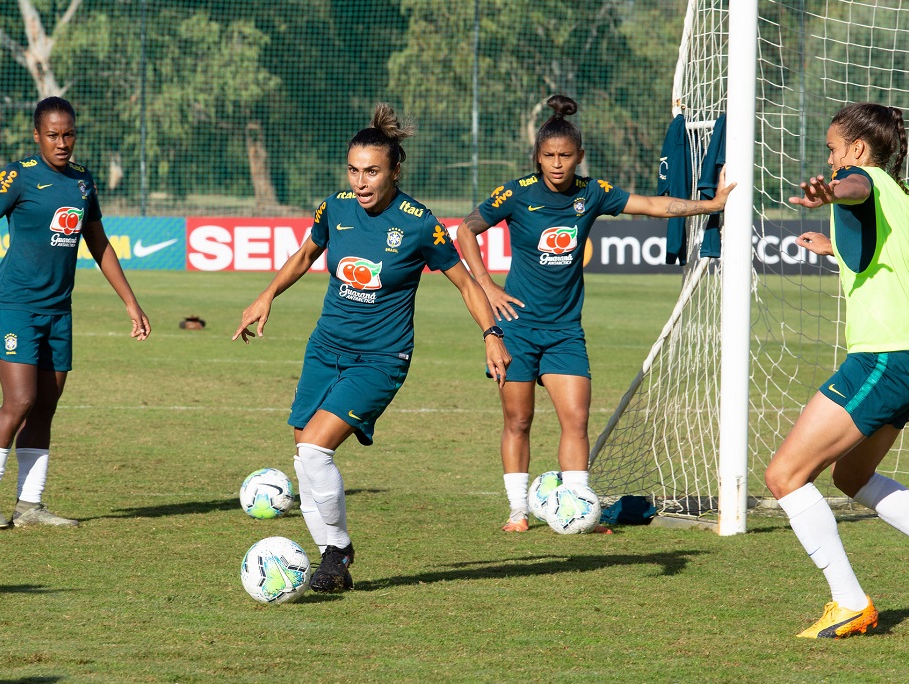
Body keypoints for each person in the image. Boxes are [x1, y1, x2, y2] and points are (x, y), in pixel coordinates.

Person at [233, 103, 511, 593]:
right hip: (325, 348)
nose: (361, 182)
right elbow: (304, 255)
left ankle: (338, 549)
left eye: (372, 172)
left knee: (316, 450)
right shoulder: (334, 208)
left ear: (395, 170)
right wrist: (266, 295)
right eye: (354, 171)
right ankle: (331, 563)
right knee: (302, 453)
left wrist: (492, 336)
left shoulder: (420, 223)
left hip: (380, 360)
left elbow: (467, 285)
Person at [455, 95, 734, 533]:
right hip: (518, 330)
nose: (557, 164)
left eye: (566, 156)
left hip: (566, 331)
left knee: (577, 421)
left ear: (579, 157)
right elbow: (465, 230)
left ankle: (579, 506)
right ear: (537, 157)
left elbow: (653, 206)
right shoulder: (516, 193)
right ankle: (517, 512)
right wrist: (487, 286)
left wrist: (709, 206)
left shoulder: (594, 193)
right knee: (518, 420)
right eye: (549, 156)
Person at [769, 102, 909, 638]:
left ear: (858, 151)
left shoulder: (861, 179)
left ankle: (848, 602)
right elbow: (884, 260)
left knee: (784, 476)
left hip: (885, 357)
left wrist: (832, 189)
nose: (831, 158)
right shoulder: (906, 202)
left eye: (832, 150)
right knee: (851, 476)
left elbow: (854, 189)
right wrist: (833, 251)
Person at [0, 96, 151, 530]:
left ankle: (30, 505)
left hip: (57, 311)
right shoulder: (19, 177)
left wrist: (131, 301)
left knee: (46, 405)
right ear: (37, 135)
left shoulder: (83, 182)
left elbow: (99, 244)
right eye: (53, 134)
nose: (62, 142)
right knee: (20, 400)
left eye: (69, 133)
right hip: (14, 306)